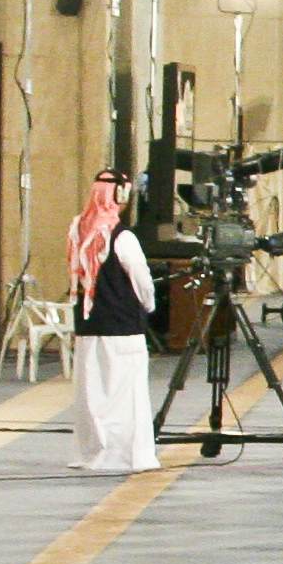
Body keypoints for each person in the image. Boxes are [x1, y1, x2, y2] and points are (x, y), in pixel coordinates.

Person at [69, 169, 161, 475]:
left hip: (88, 325)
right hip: (122, 327)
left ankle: (93, 451)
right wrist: (148, 305)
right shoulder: (124, 237)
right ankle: (128, 455)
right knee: (126, 395)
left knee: (92, 394)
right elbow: (141, 279)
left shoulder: (77, 229)